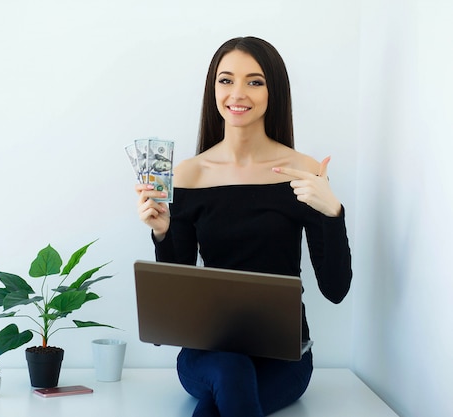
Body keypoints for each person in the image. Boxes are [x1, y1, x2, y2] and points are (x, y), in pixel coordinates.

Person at [135, 36, 352, 417]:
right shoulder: (188, 174)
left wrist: (332, 213)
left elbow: (335, 290)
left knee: (218, 403)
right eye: (226, 80)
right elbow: (178, 298)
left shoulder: (303, 171)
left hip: (285, 359)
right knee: (230, 370)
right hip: (208, 357)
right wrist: (163, 233)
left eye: (255, 81)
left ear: (274, 91)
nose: (238, 93)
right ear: (212, 89)